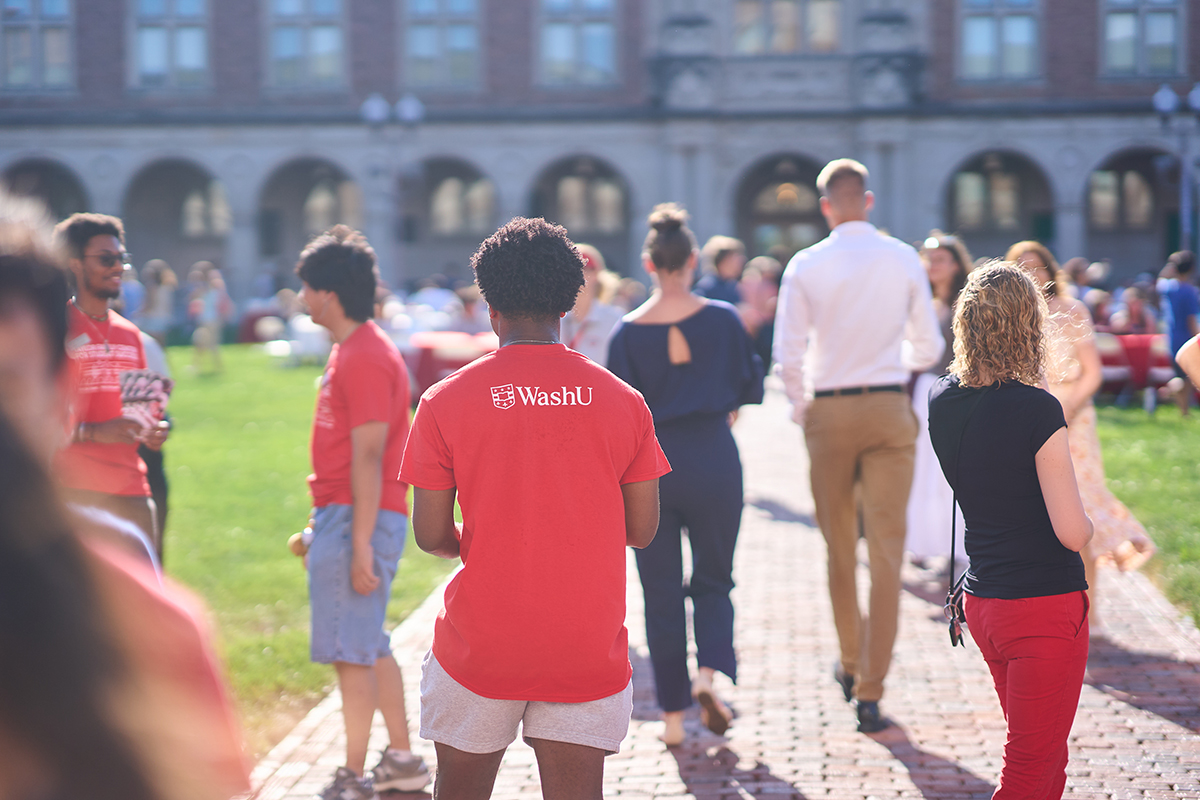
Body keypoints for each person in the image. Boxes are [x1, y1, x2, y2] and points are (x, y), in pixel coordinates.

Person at [401, 217, 670, 799]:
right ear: (569, 304)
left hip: (480, 645)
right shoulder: (624, 401)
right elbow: (643, 529)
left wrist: (482, 540)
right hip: (584, 644)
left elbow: (428, 532)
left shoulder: (444, 400)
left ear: (489, 308)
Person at [0, 190, 249, 800]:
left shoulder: (156, 627)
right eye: (104, 257)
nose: (116, 268)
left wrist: (147, 432)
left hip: (126, 495)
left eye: (7, 380)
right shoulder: (68, 332)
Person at [773, 158, 943, 733]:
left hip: (831, 407)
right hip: (888, 403)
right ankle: (871, 688)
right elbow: (929, 345)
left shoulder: (805, 263)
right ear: (867, 201)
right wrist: (894, 364)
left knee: (839, 547)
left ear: (825, 205)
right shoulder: (901, 257)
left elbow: (787, 352)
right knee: (888, 551)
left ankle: (850, 661)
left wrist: (803, 408)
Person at [928, 262, 1093, 800]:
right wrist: (1090, 521)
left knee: (1045, 757)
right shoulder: (1037, 410)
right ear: (1031, 329)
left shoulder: (941, 402)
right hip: (1043, 605)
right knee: (1027, 769)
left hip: (986, 605)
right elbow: (1072, 532)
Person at [607, 204, 764, 747]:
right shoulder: (722, 319)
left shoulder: (626, 334)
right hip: (714, 457)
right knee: (715, 578)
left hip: (653, 470)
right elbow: (747, 390)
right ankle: (707, 677)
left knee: (660, 592)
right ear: (694, 259)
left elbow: (620, 419)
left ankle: (672, 718)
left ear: (649, 264)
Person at [296, 226, 430, 800]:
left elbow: (371, 456)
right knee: (369, 644)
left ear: (327, 293)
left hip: (358, 517)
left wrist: (356, 544)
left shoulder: (367, 355)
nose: (300, 297)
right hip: (345, 515)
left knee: (350, 654)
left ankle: (352, 777)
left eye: (304, 287)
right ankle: (402, 763)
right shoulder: (352, 349)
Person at [1006, 241, 1155, 631]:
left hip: (1072, 415)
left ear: (1051, 270)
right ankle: (1044, 612)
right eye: (1021, 268)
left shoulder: (1072, 310)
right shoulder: (1011, 316)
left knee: (1080, 509)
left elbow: (1093, 372)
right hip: (1024, 420)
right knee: (1035, 515)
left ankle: (1088, 612)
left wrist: (1066, 406)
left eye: (1036, 267)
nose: (1031, 275)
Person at [53, 212, 168, 558]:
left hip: (134, 491)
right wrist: (94, 432)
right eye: (106, 259)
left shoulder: (131, 335)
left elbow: (143, 412)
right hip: (74, 492)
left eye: (121, 259)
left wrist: (154, 432)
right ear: (74, 264)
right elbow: (34, 422)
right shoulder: (54, 331)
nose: (117, 267)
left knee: (141, 607)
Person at [906, 231, 972, 570]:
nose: (933, 265)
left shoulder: (967, 303)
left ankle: (956, 548)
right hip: (923, 391)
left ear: (956, 263)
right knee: (921, 470)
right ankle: (921, 542)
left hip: (958, 390)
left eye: (941, 259)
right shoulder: (917, 300)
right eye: (929, 258)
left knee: (951, 471)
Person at [561, 243, 624, 363]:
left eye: (587, 267)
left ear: (597, 274)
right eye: (573, 266)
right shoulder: (553, 318)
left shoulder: (615, 319)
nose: (580, 272)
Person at [1157, 250, 1199, 414]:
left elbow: (1160, 279)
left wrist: (1170, 267)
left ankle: (1184, 412)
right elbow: (1191, 320)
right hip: (1186, 337)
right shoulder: (1189, 291)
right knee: (1187, 378)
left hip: (1172, 337)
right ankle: (1166, 391)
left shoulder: (1168, 288)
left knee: (1182, 375)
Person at [694, 235, 745, 305]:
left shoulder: (732, 286)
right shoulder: (708, 287)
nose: (740, 261)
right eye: (735, 257)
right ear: (723, 260)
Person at [140, 259, 177, 347]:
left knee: (152, 344)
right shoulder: (168, 287)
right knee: (161, 344)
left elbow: (150, 305)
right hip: (164, 317)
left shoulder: (152, 287)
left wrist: (139, 313)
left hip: (153, 318)